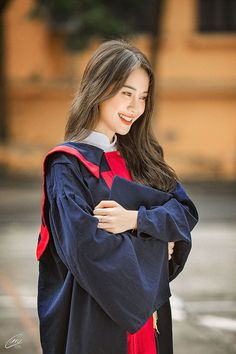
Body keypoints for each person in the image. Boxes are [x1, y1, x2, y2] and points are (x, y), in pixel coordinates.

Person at [36, 39, 199, 354]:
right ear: (99, 89)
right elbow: (86, 249)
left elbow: (183, 213)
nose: (135, 108)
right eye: (126, 94)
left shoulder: (143, 157)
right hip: (96, 314)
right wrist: (154, 243)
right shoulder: (67, 166)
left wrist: (137, 219)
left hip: (148, 318)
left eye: (143, 97)